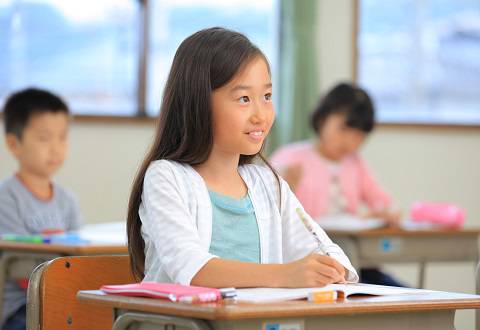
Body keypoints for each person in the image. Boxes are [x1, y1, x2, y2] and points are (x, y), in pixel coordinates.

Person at [126, 27, 358, 289]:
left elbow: (319, 247)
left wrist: (331, 267)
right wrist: (285, 275)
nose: (261, 115)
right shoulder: (165, 177)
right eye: (244, 98)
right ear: (198, 103)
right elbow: (191, 268)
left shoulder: (268, 184)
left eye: (267, 96)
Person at [270, 82, 403, 286]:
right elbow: (268, 212)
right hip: (307, 253)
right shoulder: (290, 157)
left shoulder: (356, 164)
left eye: (359, 135)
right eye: (343, 129)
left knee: (400, 291)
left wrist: (383, 213)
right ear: (322, 119)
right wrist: (288, 185)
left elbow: (386, 203)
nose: (349, 142)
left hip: (349, 252)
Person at [0, 88, 83, 330]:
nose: (56, 148)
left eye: (63, 137)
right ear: (14, 144)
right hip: (22, 309)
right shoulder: (7, 197)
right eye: (45, 138)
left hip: (63, 300)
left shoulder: (67, 200)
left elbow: (81, 256)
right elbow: (19, 268)